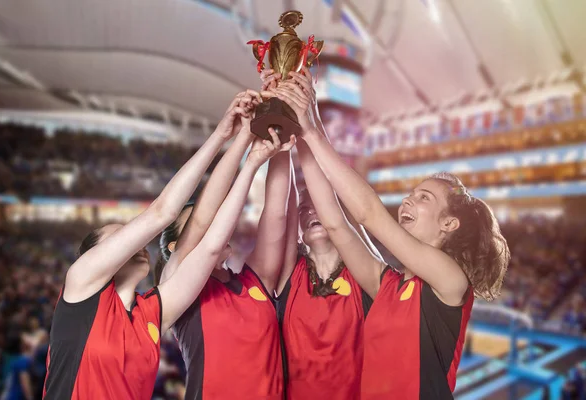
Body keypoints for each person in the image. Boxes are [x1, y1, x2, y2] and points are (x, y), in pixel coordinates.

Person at [273, 73, 510, 399]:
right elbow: (336, 224)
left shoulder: (451, 282)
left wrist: (312, 129)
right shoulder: (387, 286)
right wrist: (302, 128)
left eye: (425, 197)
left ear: (449, 224)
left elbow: (369, 213)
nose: (409, 200)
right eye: (412, 194)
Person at [42, 90, 286, 400]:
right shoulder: (81, 286)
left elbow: (209, 241)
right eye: (119, 236)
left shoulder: (152, 311)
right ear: (93, 254)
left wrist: (248, 158)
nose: (136, 241)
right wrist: (220, 134)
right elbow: (164, 212)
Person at [156, 107, 295, 400]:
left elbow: (276, 212)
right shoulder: (177, 286)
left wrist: (281, 132)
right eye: (195, 226)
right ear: (173, 248)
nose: (212, 224)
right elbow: (205, 222)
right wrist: (247, 154)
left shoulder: (252, 281)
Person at [262, 68, 381, 399]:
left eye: (320, 205)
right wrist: (280, 128)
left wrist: (308, 121)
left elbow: (337, 216)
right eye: (304, 208)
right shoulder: (291, 273)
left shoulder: (365, 271)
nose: (310, 209)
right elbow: (277, 208)